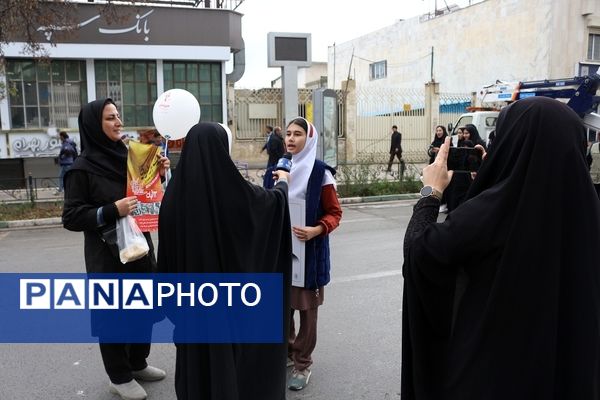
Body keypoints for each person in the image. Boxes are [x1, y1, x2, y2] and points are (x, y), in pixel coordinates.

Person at [402, 97, 600, 400]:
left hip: (492, 376)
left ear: (511, 143)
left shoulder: (494, 210)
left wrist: (431, 193)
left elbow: (421, 251)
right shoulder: (589, 211)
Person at [157, 122, 293, 400]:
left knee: (198, 369)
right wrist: (282, 185)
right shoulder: (232, 190)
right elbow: (268, 208)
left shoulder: (172, 196)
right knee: (230, 369)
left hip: (190, 308)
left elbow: (166, 257)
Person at [62, 98, 170, 400]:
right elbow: (71, 217)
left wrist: (158, 174)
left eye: (119, 116)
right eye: (110, 118)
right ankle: (119, 377)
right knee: (114, 316)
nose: (118, 122)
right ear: (95, 125)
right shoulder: (81, 169)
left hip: (139, 247)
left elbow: (145, 197)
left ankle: (137, 363)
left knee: (143, 309)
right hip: (107, 255)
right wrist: (112, 210)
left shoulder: (130, 157)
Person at [278, 117, 342, 391]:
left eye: (298, 134)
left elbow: (335, 213)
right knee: (283, 309)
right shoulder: (279, 168)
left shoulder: (320, 174)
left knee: (307, 313)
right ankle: (290, 352)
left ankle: (303, 364)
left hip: (310, 256)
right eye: (288, 134)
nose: (291, 139)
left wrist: (317, 230)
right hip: (281, 254)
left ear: (310, 139)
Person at [428, 125, 448, 213]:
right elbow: (429, 153)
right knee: (434, 186)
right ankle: (434, 203)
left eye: (440, 130)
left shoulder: (446, 142)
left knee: (441, 186)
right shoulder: (435, 141)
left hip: (442, 167)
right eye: (437, 131)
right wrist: (431, 151)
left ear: (443, 131)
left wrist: (440, 150)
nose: (438, 132)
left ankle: (443, 203)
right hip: (434, 166)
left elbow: (449, 152)